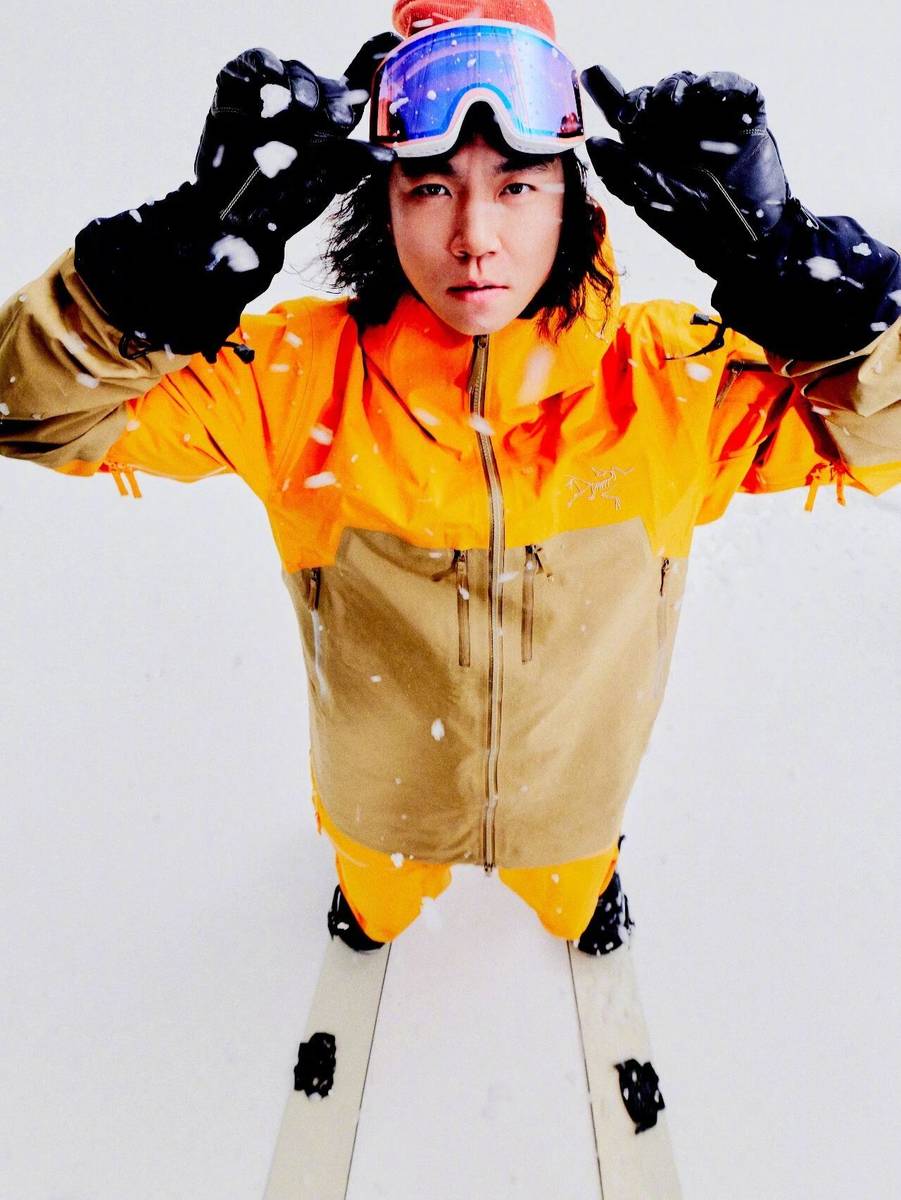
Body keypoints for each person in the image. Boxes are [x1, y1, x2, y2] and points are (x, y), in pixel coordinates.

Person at [2, 0, 900, 955]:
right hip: (379, 806)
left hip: (574, 804)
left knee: (570, 885)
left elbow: (877, 429)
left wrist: (801, 280)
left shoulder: (669, 380)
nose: (475, 236)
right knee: (378, 897)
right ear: (382, 201)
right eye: (431, 187)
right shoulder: (296, 379)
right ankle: (370, 907)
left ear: (571, 199)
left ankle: (584, 894)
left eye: (515, 186)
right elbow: (29, 410)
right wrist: (160, 269)